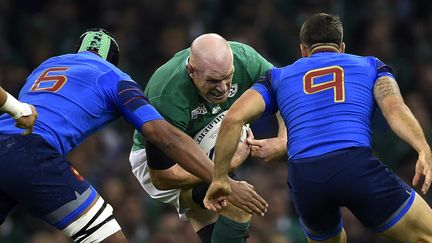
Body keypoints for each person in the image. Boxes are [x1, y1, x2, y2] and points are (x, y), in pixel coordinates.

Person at [0, 28, 267, 243]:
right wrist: (224, 178)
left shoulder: (44, 69)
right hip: (33, 152)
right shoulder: (113, 77)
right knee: (105, 235)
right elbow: (164, 136)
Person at [204, 13, 432, 243]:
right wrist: (422, 147)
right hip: (354, 166)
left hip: (306, 179)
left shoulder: (277, 77)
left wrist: (220, 178)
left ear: (303, 50)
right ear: (342, 47)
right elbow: (395, 109)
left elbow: (233, 119)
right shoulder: (371, 65)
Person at [129, 33, 286, 243]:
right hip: (158, 163)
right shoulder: (166, 95)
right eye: (213, 80)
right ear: (191, 71)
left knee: (215, 225)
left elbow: (285, 91)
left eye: (228, 77)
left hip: (208, 142)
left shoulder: (244, 59)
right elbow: (162, 177)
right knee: (235, 203)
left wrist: (282, 140)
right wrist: (227, 168)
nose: (223, 88)